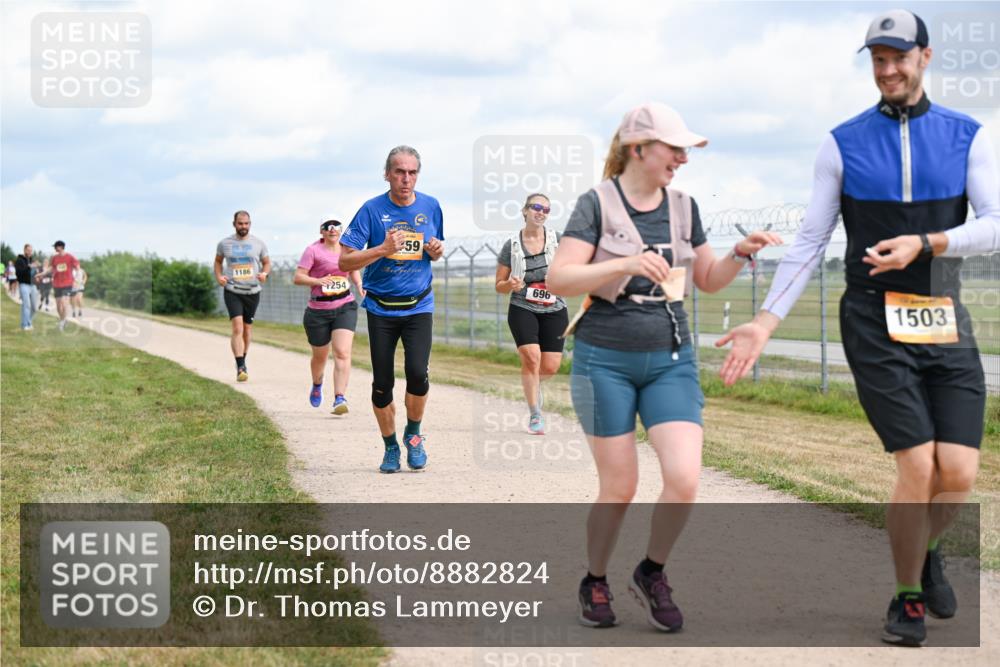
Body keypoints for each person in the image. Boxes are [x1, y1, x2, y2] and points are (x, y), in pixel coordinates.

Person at [715, 9, 1000, 647]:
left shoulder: (969, 137)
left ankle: (927, 553)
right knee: (917, 463)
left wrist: (929, 242)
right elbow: (810, 241)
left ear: (925, 57)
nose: (888, 69)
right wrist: (764, 321)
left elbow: (995, 224)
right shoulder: (841, 143)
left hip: (942, 314)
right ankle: (907, 598)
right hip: (873, 320)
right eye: (878, 59)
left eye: (899, 57)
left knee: (958, 472)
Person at [546, 102, 781, 632]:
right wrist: (627, 262)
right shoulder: (597, 204)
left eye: (685, 150)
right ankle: (595, 580)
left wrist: (739, 253)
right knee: (620, 486)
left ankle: (651, 571)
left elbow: (708, 279)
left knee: (684, 478)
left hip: (671, 360)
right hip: (603, 361)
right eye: (674, 148)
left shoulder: (683, 207)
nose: (683, 158)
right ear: (638, 149)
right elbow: (559, 278)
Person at [339, 145, 445, 474]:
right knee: (382, 384)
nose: (406, 179)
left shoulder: (431, 206)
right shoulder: (371, 210)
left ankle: (413, 435)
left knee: (417, 373)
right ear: (387, 174)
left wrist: (436, 250)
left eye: (412, 172)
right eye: (399, 172)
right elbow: (345, 261)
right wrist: (382, 249)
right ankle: (390, 447)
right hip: (382, 309)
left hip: (419, 306)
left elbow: (434, 248)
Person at [495, 193, 568, 434]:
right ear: (525, 210)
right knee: (532, 358)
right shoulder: (512, 245)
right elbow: (499, 286)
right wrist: (510, 284)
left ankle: (533, 386)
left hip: (555, 307)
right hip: (522, 307)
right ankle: (535, 414)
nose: (541, 212)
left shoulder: (558, 240)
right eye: (537, 207)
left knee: (550, 367)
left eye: (546, 209)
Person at [294, 219, 364, 414]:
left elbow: (353, 268)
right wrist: (318, 281)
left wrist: (359, 284)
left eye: (336, 226)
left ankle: (339, 398)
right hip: (318, 310)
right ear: (321, 231)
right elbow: (298, 277)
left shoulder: (346, 249)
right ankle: (317, 384)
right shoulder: (313, 250)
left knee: (342, 352)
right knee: (320, 356)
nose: (332, 229)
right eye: (328, 226)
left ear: (341, 230)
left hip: (345, 306)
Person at [215, 210, 271, 382]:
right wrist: (219, 276)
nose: (243, 226)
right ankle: (240, 367)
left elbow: (266, 263)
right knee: (237, 327)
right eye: (240, 223)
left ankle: (242, 359)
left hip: (252, 291)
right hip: (232, 289)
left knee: (247, 329)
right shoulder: (224, 243)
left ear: (250, 224)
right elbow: (218, 261)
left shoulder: (258, 243)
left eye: (246, 223)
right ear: (234, 224)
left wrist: (264, 273)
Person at [47, 241, 80, 331]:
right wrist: (43, 273)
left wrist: (76, 280)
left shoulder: (70, 257)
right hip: (57, 283)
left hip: (68, 283)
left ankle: (62, 323)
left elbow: (78, 268)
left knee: (64, 303)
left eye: (56, 246)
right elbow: (51, 268)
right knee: (58, 305)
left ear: (61, 247)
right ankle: (63, 319)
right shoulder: (54, 258)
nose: (54, 248)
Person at [14, 244, 38, 330]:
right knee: (26, 305)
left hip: (33, 285)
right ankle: (24, 325)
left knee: (34, 307)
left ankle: (28, 322)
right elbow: (18, 273)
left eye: (31, 250)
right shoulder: (19, 260)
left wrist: (37, 275)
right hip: (24, 285)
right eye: (28, 250)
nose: (30, 252)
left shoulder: (32, 260)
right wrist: (28, 267)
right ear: (24, 250)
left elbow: (33, 273)